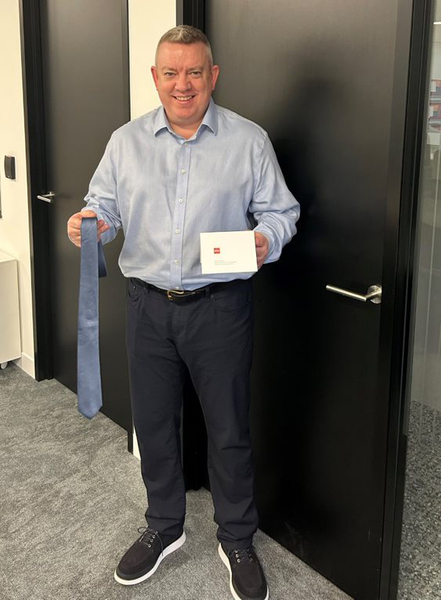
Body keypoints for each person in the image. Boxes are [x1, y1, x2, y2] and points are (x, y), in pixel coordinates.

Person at [67, 25, 299, 600]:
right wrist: (90, 226)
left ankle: (237, 538)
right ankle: (163, 527)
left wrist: (268, 238)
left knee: (228, 430)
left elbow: (282, 211)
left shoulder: (248, 141)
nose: (183, 84)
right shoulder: (125, 142)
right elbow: (105, 207)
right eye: (171, 72)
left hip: (220, 309)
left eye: (195, 71)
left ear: (213, 76)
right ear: (155, 78)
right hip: (147, 307)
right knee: (154, 425)